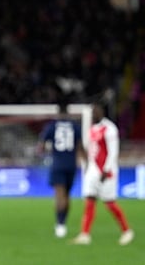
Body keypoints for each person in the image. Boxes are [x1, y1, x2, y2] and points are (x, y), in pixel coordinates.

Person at [71, 102, 134, 245]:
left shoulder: (110, 129)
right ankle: (85, 235)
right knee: (89, 201)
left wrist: (106, 170)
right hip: (92, 171)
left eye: (95, 112)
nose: (92, 114)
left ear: (101, 112)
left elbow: (113, 152)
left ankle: (127, 231)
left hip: (106, 172)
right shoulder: (92, 129)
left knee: (110, 204)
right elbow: (92, 150)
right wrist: (87, 166)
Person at [36, 102, 84, 238]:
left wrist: (43, 153)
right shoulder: (75, 126)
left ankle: (60, 224)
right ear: (68, 113)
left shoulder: (52, 126)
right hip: (71, 164)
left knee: (59, 195)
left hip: (57, 164)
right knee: (67, 195)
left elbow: (41, 147)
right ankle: (63, 223)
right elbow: (80, 146)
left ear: (58, 113)